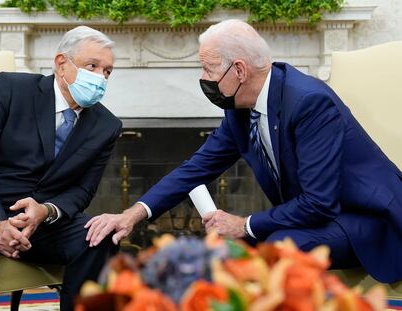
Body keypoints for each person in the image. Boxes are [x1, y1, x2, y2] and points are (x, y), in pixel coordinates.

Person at [85, 20, 402, 283]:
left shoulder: (308, 102)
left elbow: (319, 203)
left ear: (239, 70)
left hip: (366, 219)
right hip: (318, 216)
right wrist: (132, 214)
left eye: (208, 70)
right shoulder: (240, 110)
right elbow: (194, 169)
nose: (203, 79)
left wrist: (244, 225)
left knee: (275, 247)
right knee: (220, 254)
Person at [0, 26, 122, 310]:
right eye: (92, 66)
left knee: (101, 237)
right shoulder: (10, 89)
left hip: (46, 223)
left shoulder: (107, 125)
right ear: (62, 63)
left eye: (107, 71)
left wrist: (46, 211)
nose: (101, 77)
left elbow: (83, 190)